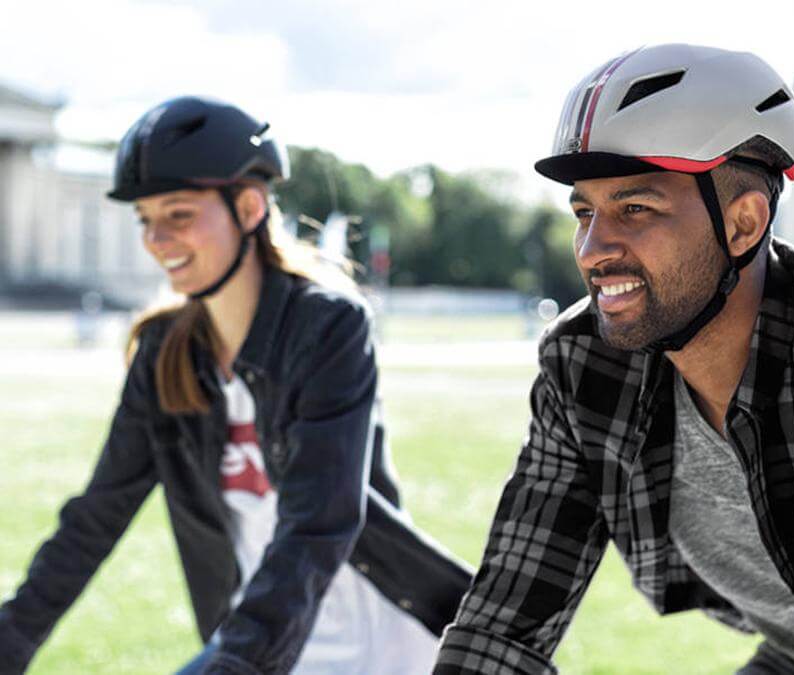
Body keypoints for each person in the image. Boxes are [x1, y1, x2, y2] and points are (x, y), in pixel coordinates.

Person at [433, 44, 794, 674]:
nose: (594, 249)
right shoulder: (582, 362)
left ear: (743, 223)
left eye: (635, 208)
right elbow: (503, 622)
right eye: (584, 212)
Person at [0, 96, 471, 674]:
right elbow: (94, 520)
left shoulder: (326, 326)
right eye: (146, 220)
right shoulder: (164, 354)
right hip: (255, 644)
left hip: (379, 647)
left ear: (248, 207)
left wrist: (239, 664)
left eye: (178, 215)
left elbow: (317, 524)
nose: (157, 240)